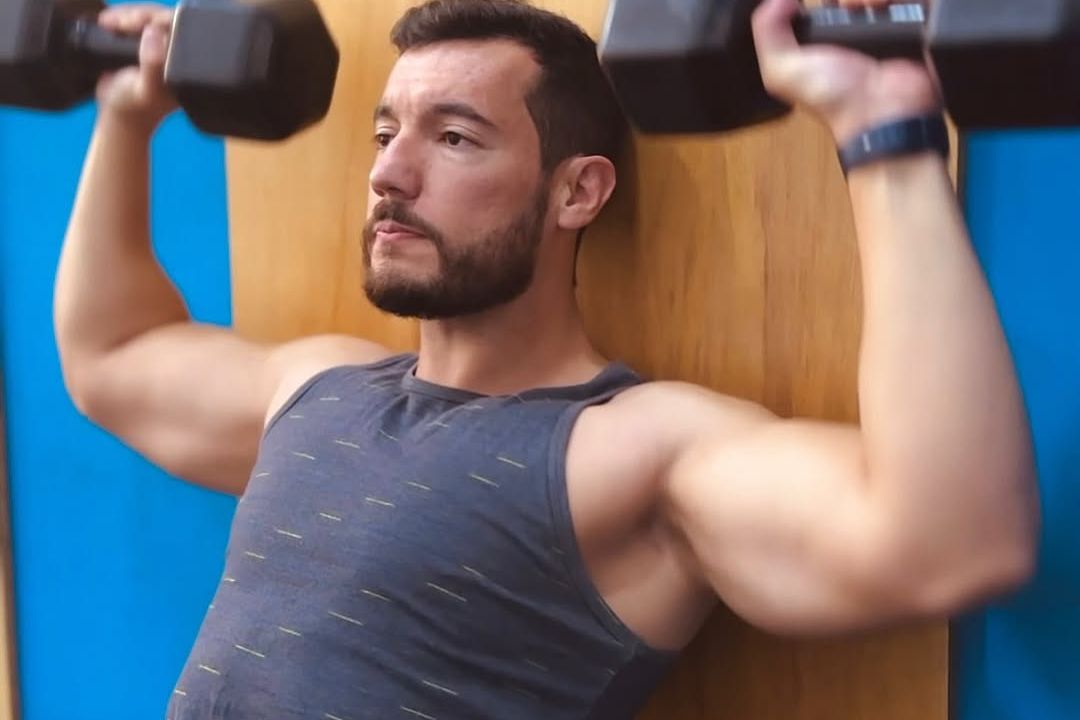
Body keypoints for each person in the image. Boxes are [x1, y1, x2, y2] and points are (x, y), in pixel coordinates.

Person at [54, 0, 1040, 717]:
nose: (390, 173)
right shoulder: (312, 388)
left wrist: (884, 131)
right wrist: (127, 117)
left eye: (455, 138)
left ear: (578, 192)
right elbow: (112, 352)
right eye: (387, 133)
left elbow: (949, 541)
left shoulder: (628, 453)